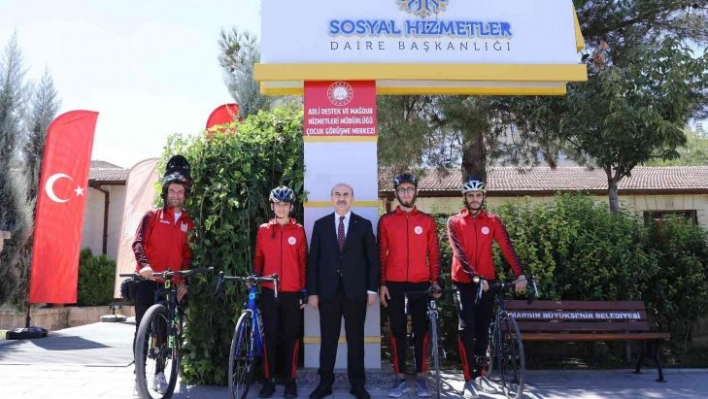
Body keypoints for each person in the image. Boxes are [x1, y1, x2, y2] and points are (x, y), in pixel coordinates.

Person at [446, 177, 527, 399]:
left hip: (487, 280)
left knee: (482, 329)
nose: (474, 199)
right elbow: (458, 253)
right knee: (467, 328)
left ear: (483, 197)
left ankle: (480, 372)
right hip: (463, 282)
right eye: (470, 195)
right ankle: (468, 379)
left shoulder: (492, 220)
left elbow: (506, 246)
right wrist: (473, 277)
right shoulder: (454, 222)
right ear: (465, 198)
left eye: (478, 195)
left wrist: (520, 274)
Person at [307, 183, 379, 399]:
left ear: (352, 198)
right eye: (337, 194)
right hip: (328, 293)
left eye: (345, 194)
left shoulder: (364, 225)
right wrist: (313, 292)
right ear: (331, 198)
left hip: (356, 293)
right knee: (328, 339)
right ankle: (325, 383)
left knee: (356, 340)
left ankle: (357, 384)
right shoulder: (320, 225)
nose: (341, 198)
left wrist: (371, 290)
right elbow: (313, 262)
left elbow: (372, 261)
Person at [131, 155, 194, 396]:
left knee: (165, 333)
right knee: (142, 332)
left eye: (180, 191)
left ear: (185, 194)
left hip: (171, 282)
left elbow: (187, 255)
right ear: (166, 192)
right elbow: (138, 243)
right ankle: (139, 378)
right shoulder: (152, 216)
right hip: (148, 280)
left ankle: (159, 373)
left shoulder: (189, 222)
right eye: (172, 190)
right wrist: (144, 265)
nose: (175, 195)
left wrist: (183, 281)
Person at [378, 172, 441, 398]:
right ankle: (399, 377)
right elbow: (381, 255)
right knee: (397, 332)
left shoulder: (426, 220)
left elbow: (434, 254)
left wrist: (435, 282)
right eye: (402, 190)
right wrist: (382, 283)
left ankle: (422, 377)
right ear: (396, 193)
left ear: (416, 191)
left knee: (421, 332)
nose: (406, 193)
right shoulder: (386, 220)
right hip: (394, 284)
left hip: (420, 284)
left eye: (410, 189)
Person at [253, 186, 308, 399]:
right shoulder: (264, 230)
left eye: (285, 204)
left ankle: (290, 380)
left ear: (291, 207)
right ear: (272, 206)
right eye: (278, 204)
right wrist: (255, 274)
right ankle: (269, 380)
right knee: (271, 337)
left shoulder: (299, 230)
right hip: (269, 290)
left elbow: (303, 261)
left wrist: (304, 289)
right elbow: (259, 257)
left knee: (291, 337)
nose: (282, 208)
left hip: (292, 292)